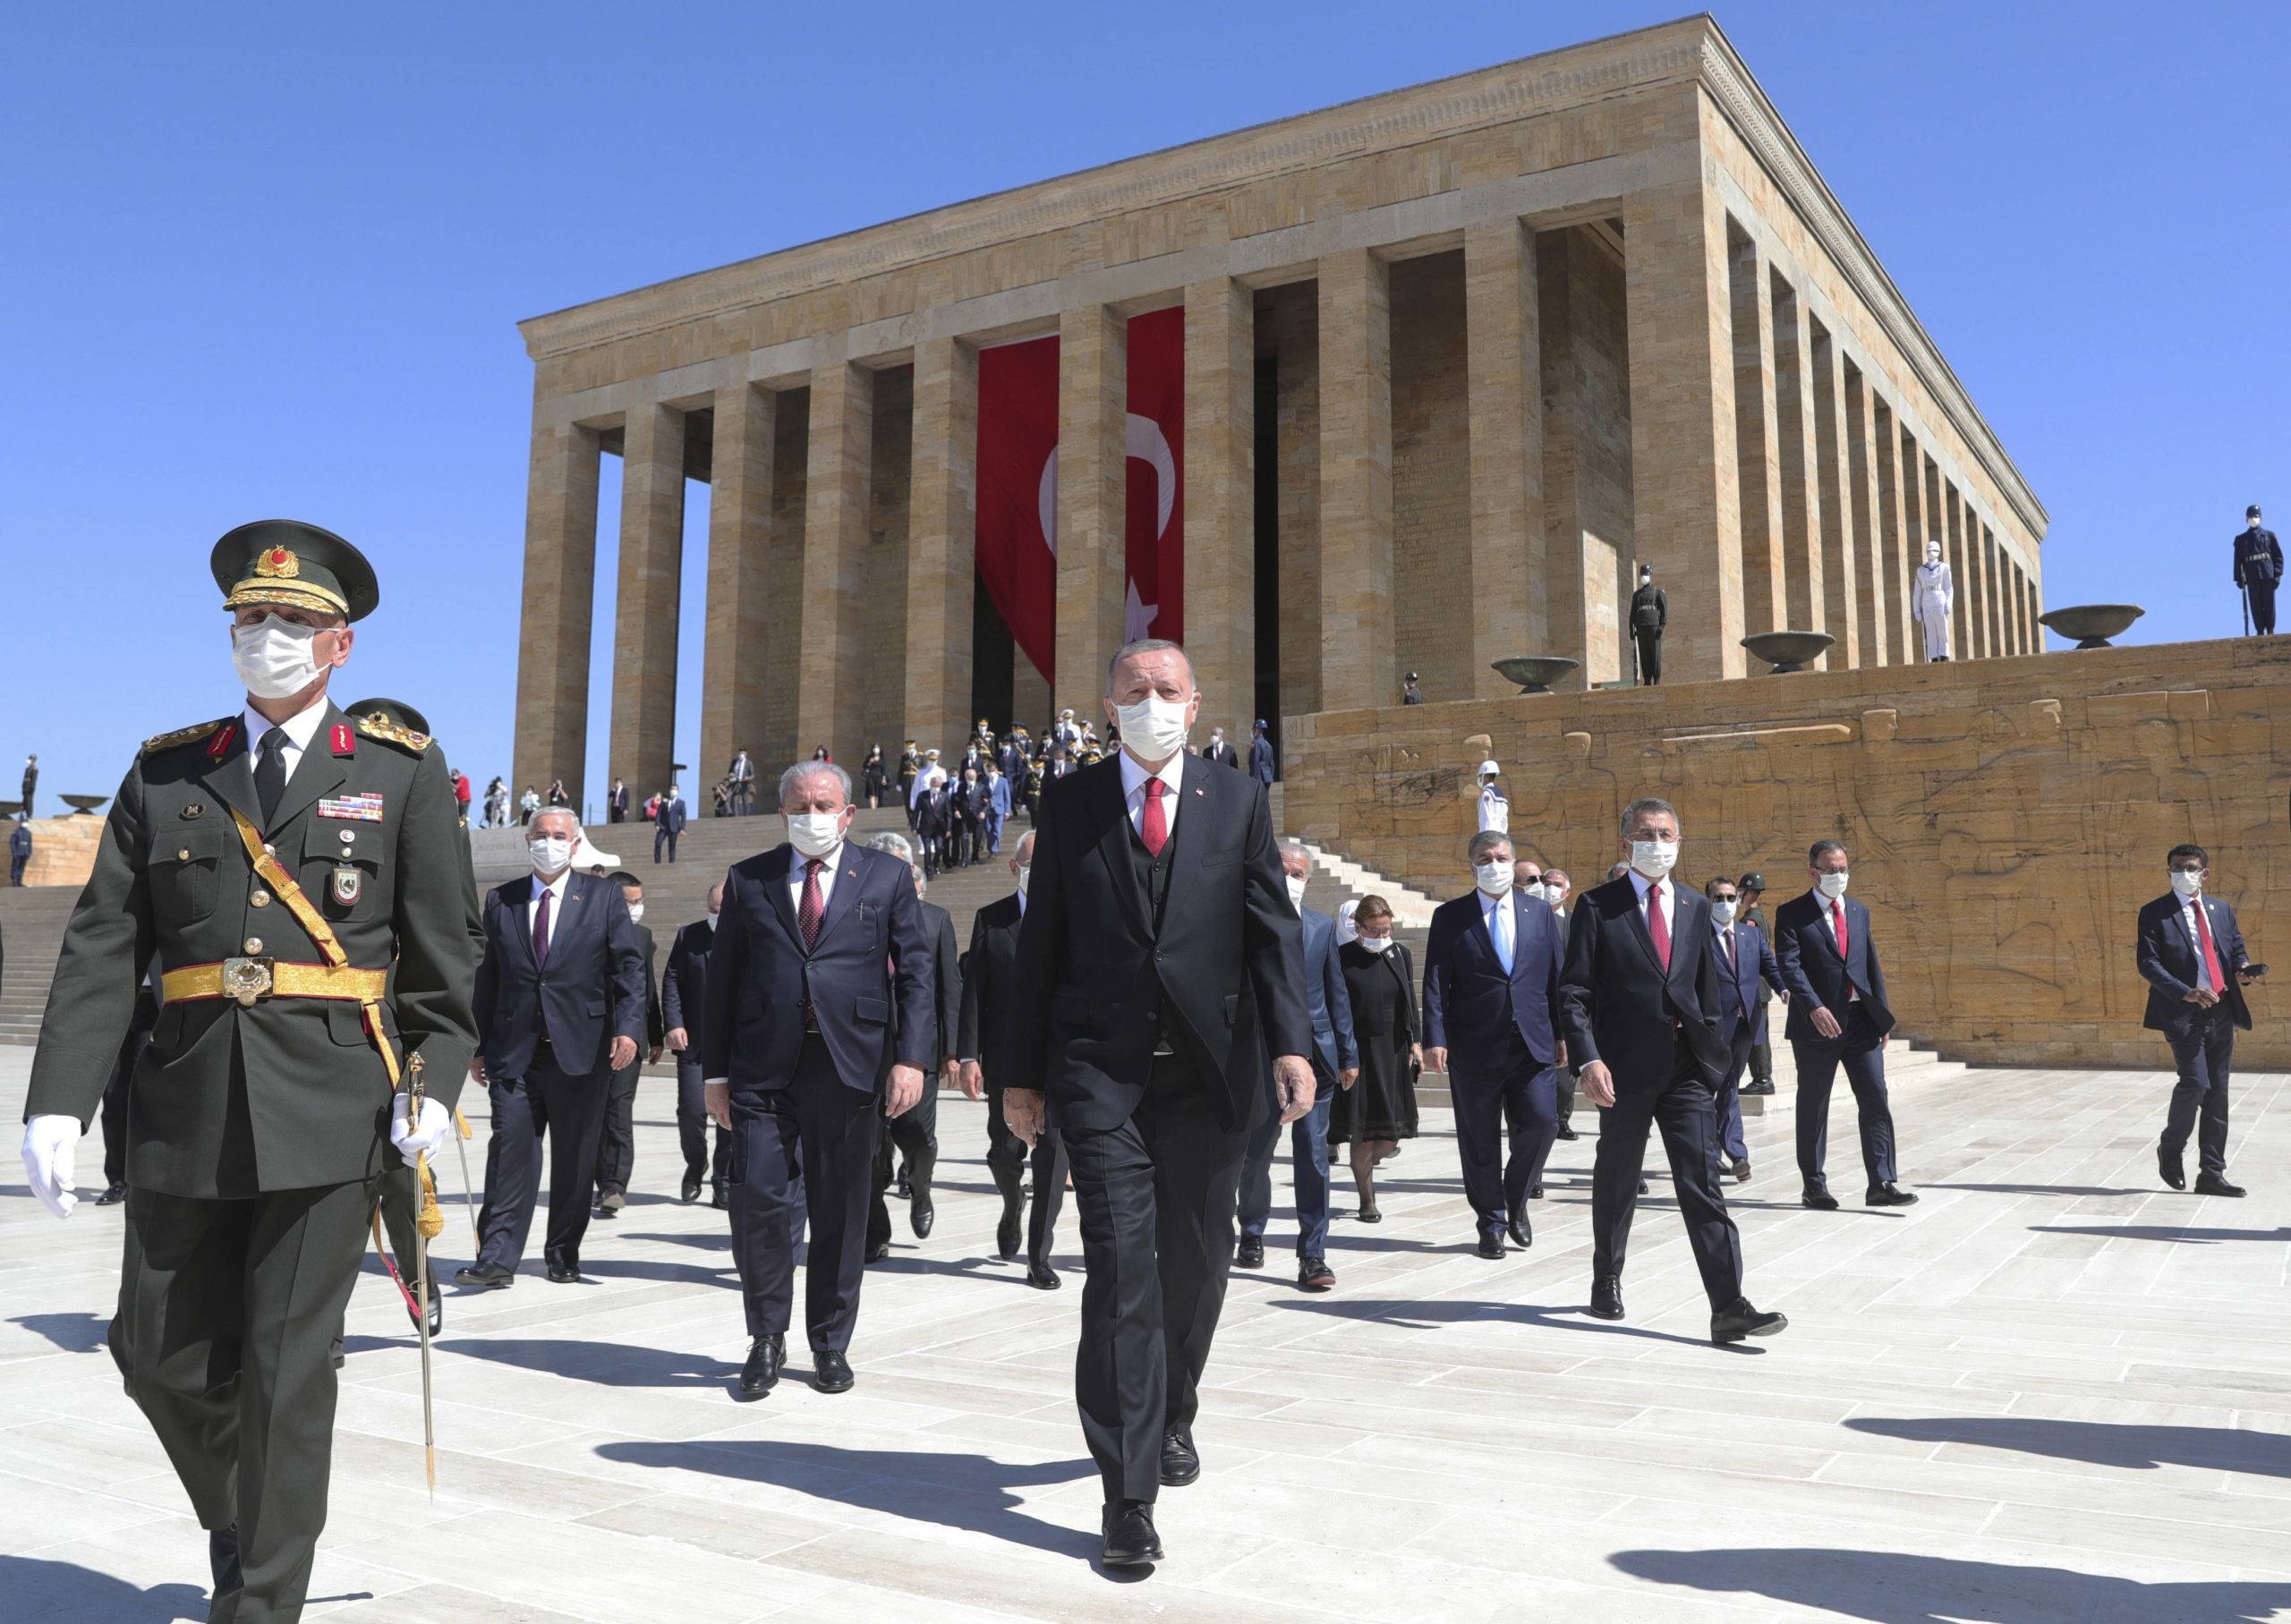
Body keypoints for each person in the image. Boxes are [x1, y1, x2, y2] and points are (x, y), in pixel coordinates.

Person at [18, 519, 476, 1620]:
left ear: (341, 647)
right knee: (155, 1355)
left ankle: (262, 1598)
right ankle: (249, 1519)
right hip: (183, 1100)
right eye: (250, 619)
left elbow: (444, 955)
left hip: (331, 1107)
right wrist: (57, 1102)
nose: (266, 636)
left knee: (286, 1370)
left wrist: (434, 1085)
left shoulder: (400, 772)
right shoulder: (170, 769)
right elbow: (100, 945)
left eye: (293, 621)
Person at [1001, 638, 1310, 1569]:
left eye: (1165, 688)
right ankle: (1126, 1496)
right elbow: (1040, 942)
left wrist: (1293, 1043)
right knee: (1120, 1273)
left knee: (1200, 1263)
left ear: (1195, 699)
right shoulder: (1070, 803)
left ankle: (1175, 1406)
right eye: (1134, 689)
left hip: (1211, 1075)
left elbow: (1271, 938)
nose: (1151, 701)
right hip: (1102, 1075)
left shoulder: (1240, 802)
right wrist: (1021, 1072)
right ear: (1107, 704)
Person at [703, 761, 933, 1400]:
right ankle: (766, 1337)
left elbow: (915, 972)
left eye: (824, 803)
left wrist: (911, 1059)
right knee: (761, 1204)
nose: (812, 813)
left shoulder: (885, 876)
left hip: (851, 1064)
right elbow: (722, 984)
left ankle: (830, 1341)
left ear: (849, 812)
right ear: (782, 813)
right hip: (761, 1067)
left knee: (840, 1207)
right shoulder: (749, 879)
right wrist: (714, 1073)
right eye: (800, 804)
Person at [1556, 796, 1784, 1343]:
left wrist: (1712, 1059)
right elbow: (1574, 992)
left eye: (1666, 834)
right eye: (1646, 833)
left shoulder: (1694, 905)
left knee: (1702, 1182)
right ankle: (1606, 1277)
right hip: (1622, 1069)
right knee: (1618, 1178)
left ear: (1679, 843)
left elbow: (1706, 986)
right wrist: (1588, 1057)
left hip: (1685, 1070)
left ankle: (1728, 1304)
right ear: (1624, 843)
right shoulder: (1597, 905)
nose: (1656, 842)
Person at [461, 808, 645, 1288]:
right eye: (541, 835)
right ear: (527, 840)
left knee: (575, 1157)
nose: (549, 842)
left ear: (576, 842)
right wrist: (477, 1043)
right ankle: (497, 1257)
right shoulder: (502, 899)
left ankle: (563, 1251)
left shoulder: (603, 897)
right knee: (510, 1153)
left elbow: (628, 969)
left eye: (559, 835)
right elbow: (488, 976)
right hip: (514, 1050)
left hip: (582, 1051)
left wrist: (628, 1029)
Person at [1423, 829, 1565, 1257]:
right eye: (1485, 858)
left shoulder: (1539, 913)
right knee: (1479, 1139)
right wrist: (1434, 1037)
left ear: (1514, 860)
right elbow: (1434, 982)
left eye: (1502, 857)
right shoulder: (1450, 916)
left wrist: (1564, 1033)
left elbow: (1557, 978)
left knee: (1543, 1122)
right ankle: (1490, 1224)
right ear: (1472, 866)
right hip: (1475, 1045)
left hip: (1532, 1041)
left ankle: (1515, 1197)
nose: (1495, 864)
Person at [1238, 843, 1357, 1290]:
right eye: (1285, 869)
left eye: (1300, 873)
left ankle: (1314, 1253)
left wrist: (1348, 1054)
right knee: (1256, 1156)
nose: (1292, 878)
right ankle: (1251, 1232)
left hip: (1316, 1059)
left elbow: (1336, 992)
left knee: (1313, 1158)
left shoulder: (1322, 928)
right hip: (1260, 1057)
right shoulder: (1245, 922)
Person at [1773, 840, 1914, 1210]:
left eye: (1843, 868)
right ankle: (1814, 1184)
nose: (1839, 875)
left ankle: (1881, 1181)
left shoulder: (1858, 911)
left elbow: (1870, 965)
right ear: (1813, 872)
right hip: (1817, 1025)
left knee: (1875, 1098)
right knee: (1814, 1103)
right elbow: (1790, 965)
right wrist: (1814, 1007)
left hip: (1861, 1022)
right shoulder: (1792, 913)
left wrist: (1882, 1016)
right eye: (1831, 869)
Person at [958, 831, 1067, 1287]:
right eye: (1030, 862)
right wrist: (967, 1055)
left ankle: (1039, 1256)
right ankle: (1011, 1205)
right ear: (1014, 867)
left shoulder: (1075, 916)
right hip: (1005, 1058)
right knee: (1005, 1152)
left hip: (1061, 1059)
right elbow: (975, 991)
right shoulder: (992, 919)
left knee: (1052, 1157)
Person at [2137, 843, 2258, 1195]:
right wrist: (2184, 991)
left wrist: (2244, 969)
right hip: (2183, 1012)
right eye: (2177, 868)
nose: (2183, 874)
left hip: (2220, 1010)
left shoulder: (2221, 910)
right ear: (2168, 872)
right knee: (2196, 1082)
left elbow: (2235, 948)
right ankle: (2171, 1148)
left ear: (2205, 872)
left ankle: (2212, 1174)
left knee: (2218, 1093)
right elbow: (2148, 963)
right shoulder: (2154, 912)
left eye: (2190, 867)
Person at [863, 835, 961, 1258]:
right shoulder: (854, 913)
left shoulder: (935, 919)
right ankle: (875, 1228)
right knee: (869, 1145)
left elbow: (949, 989)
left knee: (918, 1137)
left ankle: (920, 1188)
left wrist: (955, 1050)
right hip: (864, 1050)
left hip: (918, 1050)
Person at [1331, 895, 1420, 1221]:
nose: (1383, 936)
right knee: (1363, 1130)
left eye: (1387, 929)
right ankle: (1366, 1198)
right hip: (1359, 1052)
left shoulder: (1400, 954)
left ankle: (1373, 1161)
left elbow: (1409, 999)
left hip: (1394, 1050)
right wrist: (1343, 1053)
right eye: (1375, 930)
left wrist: (1416, 1042)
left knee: (1392, 1133)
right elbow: (1336, 1006)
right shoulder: (1341, 957)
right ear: (1359, 926)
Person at [592, 873, 667, 1220]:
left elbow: (646, 988)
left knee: (619, 1111)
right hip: (589, 1039)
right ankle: (595, 1179)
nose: (635, 908)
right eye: (629, 902)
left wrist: (654, 1034)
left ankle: (614, 1186)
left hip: (629, 1038)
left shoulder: (643, 935)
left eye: (639, 901)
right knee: (592, 1113)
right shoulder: (587, 930)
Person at [1704, 874, 1785, 1184]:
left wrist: (1784, 989)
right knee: (1717, 1088)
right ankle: (1735, 1153)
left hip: (1744, 1025)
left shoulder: (1749, 934)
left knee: (1728, 1087)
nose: (1725, 903)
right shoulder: (1698, 937)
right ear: (1708, 901)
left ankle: (1727, 1153)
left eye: (1730, 897)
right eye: (1718, 898)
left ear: (1738, 900)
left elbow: (1770, 964)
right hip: (1712, 1028)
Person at [663, 884, 731, 1206]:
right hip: (695, 1044)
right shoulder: (689, 936)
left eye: (724, 911)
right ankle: (695, 1163)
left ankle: (724, 1179)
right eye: (713, 911)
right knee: (691, 1109)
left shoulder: (749, 936)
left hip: (734, 1046)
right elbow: (672, 979)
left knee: (729, 1115)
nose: (718, 917)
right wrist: (674, 1023)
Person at [1736, 873, 1779, 1095]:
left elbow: (1748, 954)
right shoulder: (1760, 916)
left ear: (1750, 892)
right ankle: (1763, 1077)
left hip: (1755, 987)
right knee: (1760, 1032)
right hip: (1761, 987)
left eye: (1741, 891)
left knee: (1757, 1035)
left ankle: (1762, 1078)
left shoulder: (1749, 920)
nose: (1738, 896)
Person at [2236, 505, 2280, 636]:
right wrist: (2239, 578)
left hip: (2267, 574)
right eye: (2251, 517)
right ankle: (2259, 631)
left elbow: (2278, 557)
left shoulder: (2269, 536)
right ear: (2246, 519)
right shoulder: (2241, 540)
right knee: (2255, 605)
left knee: (2269, 604)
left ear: (2260, 517)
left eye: (2255, 516)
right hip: (2252, 576)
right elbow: (2238, 561)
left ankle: (2270, 630)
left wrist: (2277, 576)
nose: (2253, 519)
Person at [1914, 540, 1954, 661]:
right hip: (1927, 598)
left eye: (1934, 550)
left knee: (1942, 628)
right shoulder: (1920, 570)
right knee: (1930, 629)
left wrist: (1949, 603)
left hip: (1939, 597)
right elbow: (1917, 592)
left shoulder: (1944, 567)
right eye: (1929, 550)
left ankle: (1944, 653)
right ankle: (1934, 656)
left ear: (1939, 552)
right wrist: (1917, 610)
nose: (1931, 553)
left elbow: (1948, 587)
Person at [1630, 564, 1666, 684]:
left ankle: (1656, 679)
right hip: (1641, 627)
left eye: (1646, 575)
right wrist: (1631, 628)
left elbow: (1664, 610)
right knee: (1644, 654)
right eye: (1642, 575)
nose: (1643, 577)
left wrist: (1661, 625)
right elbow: (1633, 612)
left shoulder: (1658, 592)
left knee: (1654, 653)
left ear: (1650, 576)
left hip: (1653, 626)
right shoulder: (1637, 595)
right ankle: (1647, 679)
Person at [913, 772, 951, 878]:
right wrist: (914, 827)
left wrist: (949, 829)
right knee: (928, 849)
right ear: (931, 785)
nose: (936, 788)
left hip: (940, 828)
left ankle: (935, 863)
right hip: (925, 827)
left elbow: (948, 814)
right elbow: (916, 812)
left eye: (938, 786)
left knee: (939, 848)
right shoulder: (922, 795)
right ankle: (929, 871)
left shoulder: (944, 796)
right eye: (934, 786)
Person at [653, 780, 687, 863]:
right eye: (672, 789)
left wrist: (682, 828)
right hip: (663, 826)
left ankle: (671, 862)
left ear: (678, 791)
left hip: (674, 827)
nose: (673, 791)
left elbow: (683, 816)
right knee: (658, 843)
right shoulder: (664, 801)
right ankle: (657, 861)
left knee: (672, 846)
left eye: (675, 789)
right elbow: (659, 813)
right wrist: (657, 824)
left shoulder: (681, 803)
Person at [984, 760, 1013, 855]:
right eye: (989, 771)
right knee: (988, 830)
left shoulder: (1003, 781)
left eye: (992, 771)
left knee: (997, 830)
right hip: (988, 809)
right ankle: (990, 847)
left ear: (996, 769)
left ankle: (994, 850)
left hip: (999, 809)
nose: (991, 773)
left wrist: (1007, 811)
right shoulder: (984, 781)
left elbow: (1007, 797)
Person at [1475, 760, 1509, 834]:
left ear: (1486, 777)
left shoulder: (1486, 794)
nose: (1479, 778)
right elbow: (1504, 821)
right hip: (1501, 837)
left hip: (1490, 838)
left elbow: (1486, 819)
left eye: (1480, 776)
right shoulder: (1500, 794)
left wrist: (1485, 839)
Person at [861, 744, 891, 810]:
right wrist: (869, 762)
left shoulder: (882, 759)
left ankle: (875, 809)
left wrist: (884, 779)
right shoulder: (869, 757)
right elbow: (864, 766)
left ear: (880, 749)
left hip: (879, 778)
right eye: (874, 748)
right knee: (872, 793)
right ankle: (873, 808)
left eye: (877, 748)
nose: (876, 749)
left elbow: (884, 770)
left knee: (877, 795)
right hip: (870, 777)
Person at [1248, 718, 1276, 785]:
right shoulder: (1269, 745)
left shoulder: (1255, 743)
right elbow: (1272, 764)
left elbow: (1255, 760)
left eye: (1253, 729)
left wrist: (1253, 778)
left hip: (1257, 778)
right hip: (1267, 778)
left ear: (1256, 730)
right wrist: (1269, 776)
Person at [729, 747, 756, 815]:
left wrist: (748, 778)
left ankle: (746, 816)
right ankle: (736, 816)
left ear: (746, 754)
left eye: (743, 753)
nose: (741, 754)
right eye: (740, 753)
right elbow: (730, 771)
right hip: (736, 783)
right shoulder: (734, 761)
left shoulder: (749, 762)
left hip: (745, 783)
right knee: (735, 800)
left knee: (745, 801)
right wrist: (731, 774)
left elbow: (752, 774)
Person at [8, 816, 29, 885]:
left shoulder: (28, 833)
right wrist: (14, 852)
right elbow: (13, 842)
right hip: (18, 851)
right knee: (15, 866)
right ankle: (14, 880)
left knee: (21, 867)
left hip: (25, 852)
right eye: (23, 822)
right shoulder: (16, 832)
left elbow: (29, 844)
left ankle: (19, 881)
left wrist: (29, 852)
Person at [21, 752, 36, 819]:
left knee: (29, 801)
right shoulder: (27, 769)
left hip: (30, 787)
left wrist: (32, 787)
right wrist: (23, 787)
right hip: (25, 787)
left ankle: (29, 815)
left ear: (33, 760)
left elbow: (34, 779)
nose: (29, 760)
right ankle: (24, 815)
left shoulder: (34, 769)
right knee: (24, 802)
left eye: (30, 759)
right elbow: (24, 778)